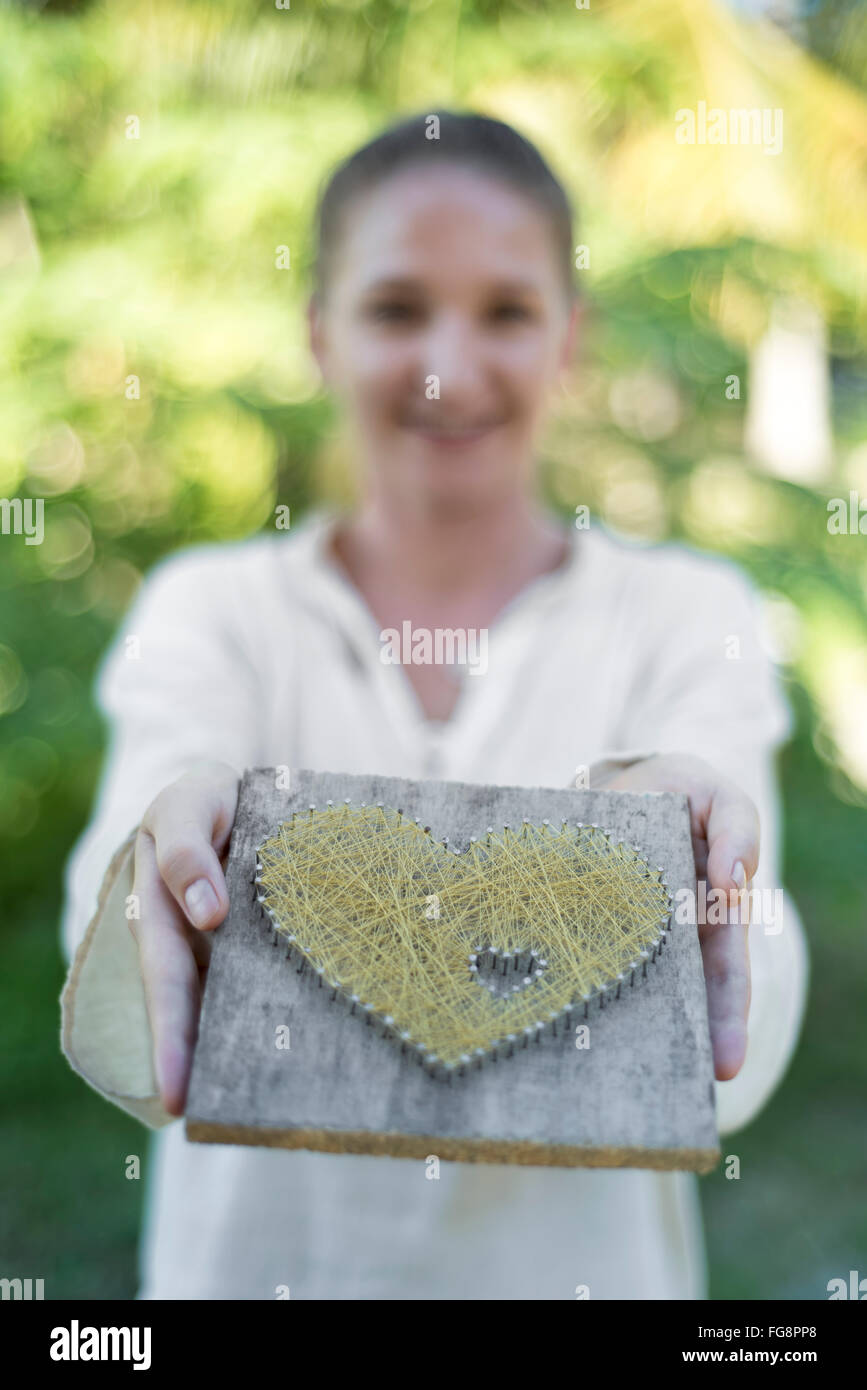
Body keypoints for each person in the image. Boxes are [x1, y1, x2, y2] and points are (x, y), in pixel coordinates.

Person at [59, 111, 808, 1300]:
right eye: (397, 308)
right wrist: (162, 846)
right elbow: (119, 918)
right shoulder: (213, 608)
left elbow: (745, 1020)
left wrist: (677, 839)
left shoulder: (685, 612)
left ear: (572, 339)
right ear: (319, 335)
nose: (449, 368)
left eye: (507, 312)